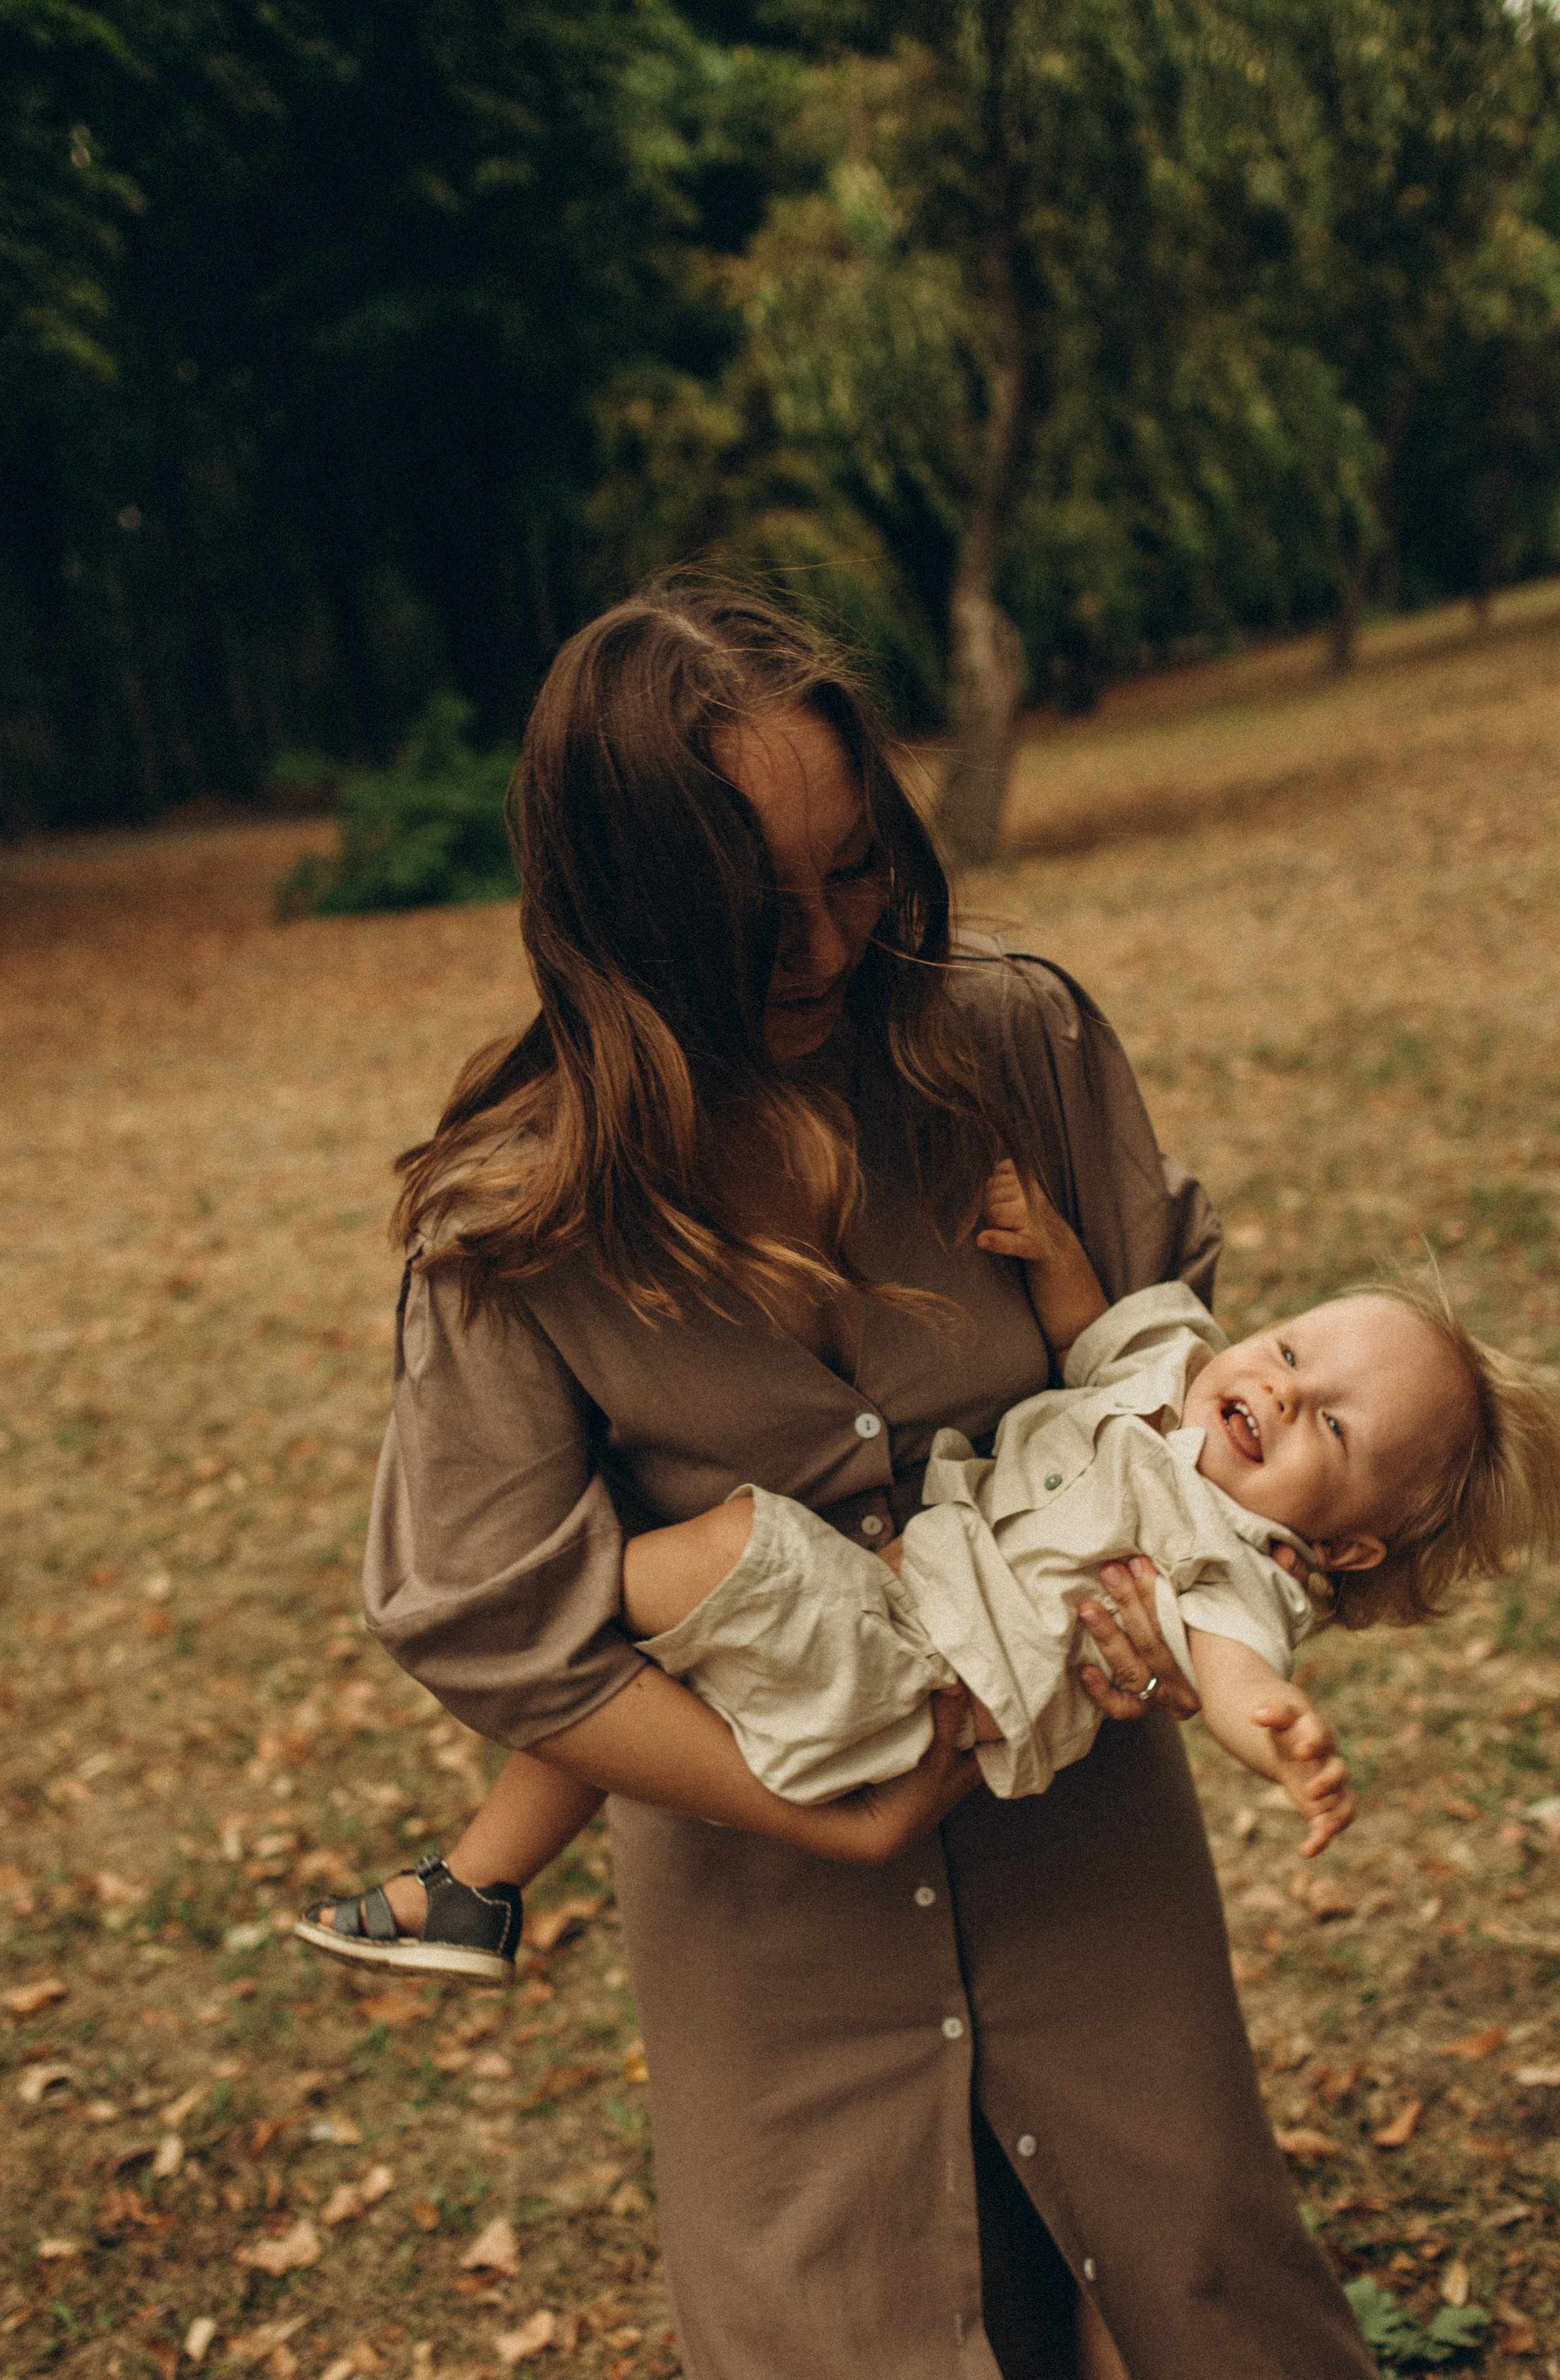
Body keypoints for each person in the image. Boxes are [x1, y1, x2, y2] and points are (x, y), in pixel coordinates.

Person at [314, 581, 1386, 2379]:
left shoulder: (1019, 1048)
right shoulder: (513, 1224)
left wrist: (1194, 1601)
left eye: (856, 871)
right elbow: (497, 1617)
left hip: (1083, 1834)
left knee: (1206, 2290)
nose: (821, 947)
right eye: (752, 909)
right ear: (617, 910)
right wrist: (822, 1812)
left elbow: (1172, 1385)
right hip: (760, 1903)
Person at [299, 1168, 1559, 1953]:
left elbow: (1229, 1659)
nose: (1279, 1394)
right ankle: (475, 1886)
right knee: (645, 1668)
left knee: (695, 1571)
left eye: (1331, 1427)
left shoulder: (1236, 1552)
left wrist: (1269, 1726)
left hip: (929, 1677)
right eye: (1290, 1353)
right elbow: (1096, 1332)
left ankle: (528, 1606)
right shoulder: (1179, 1379)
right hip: (898, 1605)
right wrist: (1046, 1244)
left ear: (1336, 1542)